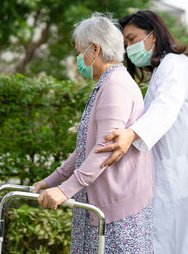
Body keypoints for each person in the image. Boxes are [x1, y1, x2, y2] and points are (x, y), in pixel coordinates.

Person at [96, 10, 188, 253]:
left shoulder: (176, 64)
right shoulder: (162, 70)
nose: (129, 47)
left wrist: (131, 134)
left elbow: (166, 106)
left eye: (132, 38)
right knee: (179, 240)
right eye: (126, 43)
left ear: (153, 35)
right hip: (178, 172)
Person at [32, 13, 154, 253]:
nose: (79, 58)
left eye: (80, 52)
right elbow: (86, 148)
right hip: (102, 205)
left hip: (117, 212)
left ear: (95, 49)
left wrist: (64, 190)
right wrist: (52, 181)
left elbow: (104, 150)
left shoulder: (116, 84)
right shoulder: (107, 83)